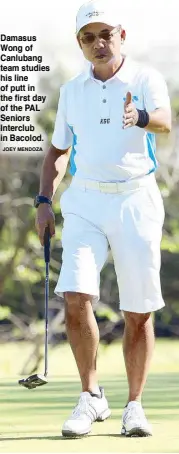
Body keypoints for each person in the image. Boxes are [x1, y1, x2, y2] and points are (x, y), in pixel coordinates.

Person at [35, 0, 171, 438]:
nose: (98, 43)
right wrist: (43, 200)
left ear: (122, 36)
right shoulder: (72, 91)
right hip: (85, 200)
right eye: (88, 37)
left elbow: (166, 122)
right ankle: (91, 397)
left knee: (139, 312)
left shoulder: (146, 78)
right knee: (76, 295)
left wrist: (141, 116)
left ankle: (134, 405)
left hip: (136, 198)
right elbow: (58, 152)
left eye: (106, 34)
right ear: (80, 43)